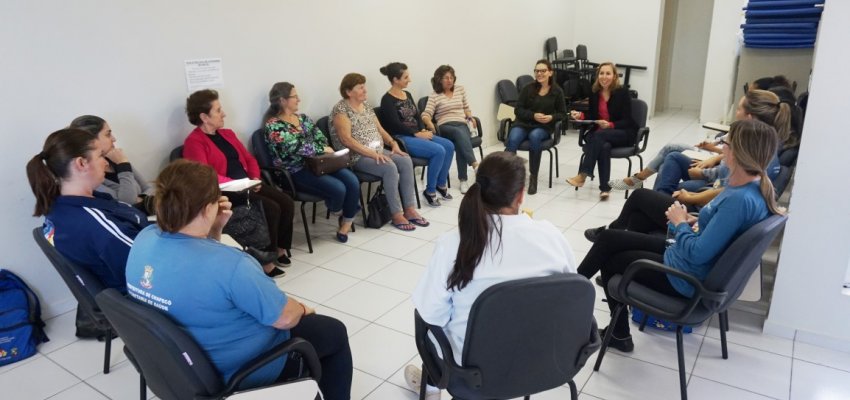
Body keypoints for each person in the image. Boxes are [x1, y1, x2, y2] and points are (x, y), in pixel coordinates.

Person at [125, 160, 352, 399]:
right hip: (240, 370)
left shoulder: (145, 238)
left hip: (182, 365)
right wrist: (304, 309)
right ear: (207, 208)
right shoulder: (232, 265)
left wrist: (214, 231)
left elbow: (196, 266)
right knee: (333, 331)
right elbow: (285, 318)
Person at [577, 119, 783, 352]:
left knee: (611, 258)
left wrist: (680, 223)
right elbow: (721, 233)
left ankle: (593, 312)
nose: (722, 147)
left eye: (726, 143)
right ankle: (577, 294)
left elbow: (697, 254)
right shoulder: (753, 190)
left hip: (684, 277)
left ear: (737, 153)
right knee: (612, 238)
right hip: (685, 262)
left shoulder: (738, 200)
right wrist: (696, 221)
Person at [404, 152, 576, 399]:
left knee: (430, 325)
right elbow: (568, 296)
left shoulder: (453, 245)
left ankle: (431, 386)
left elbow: (432, 313)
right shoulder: (552, 237)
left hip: (473, 373)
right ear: (520, 195)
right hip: (543, 362)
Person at [27, 128, 150, 338]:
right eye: (101, 155)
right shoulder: (95, 225)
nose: (105, 162)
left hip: (118, 287)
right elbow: (149, 266)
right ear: (81, 163)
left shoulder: (59, 209)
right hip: (140, 296)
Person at [184, 89, 294, 277]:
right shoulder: (194, 143)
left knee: (286, 202)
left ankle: (280, 249)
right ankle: (265, 262)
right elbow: (205, 175)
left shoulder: (227, 134)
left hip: (248, 184)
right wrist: (238, 183)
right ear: (204, 117)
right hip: (226, 191)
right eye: (218, 110)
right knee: (271, 208)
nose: (224, 114)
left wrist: (255, 178)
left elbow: (249, 158)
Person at [609, 88, 792, 193]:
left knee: (670, 160)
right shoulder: (760, 141)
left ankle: (646, 193)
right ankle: (650, 198)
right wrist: (715, 157)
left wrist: (705, 171)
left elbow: (726, 184)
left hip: (713, 186)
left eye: (738, 109)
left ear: (750, 117)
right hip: (715, 175)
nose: (735, 113)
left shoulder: (758, 150)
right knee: (671, 157)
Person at [328, 73, 428, 231]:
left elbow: (380, 129)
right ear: (348, 92)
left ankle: (409, 209)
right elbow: (346, 140)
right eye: (360, 87)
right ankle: (396, 214)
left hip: (377, 151)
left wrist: (393, 143)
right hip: (356, 156)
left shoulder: (366, 106)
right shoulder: (341, 110)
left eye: (364, 86)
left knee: (405, 160)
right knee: (389, 167)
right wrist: (372, 154)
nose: (365, 90)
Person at [263, 82, 360, 243]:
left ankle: (347, 222)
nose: (299, 99)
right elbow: (295, 146)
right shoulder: (273, 126)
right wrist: (320, 148)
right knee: (339, 189)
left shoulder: (303, 119)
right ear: (282, 100)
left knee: (352, 181)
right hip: (295, 170)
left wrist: (320, 147)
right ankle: (340, 212)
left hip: (320, 162)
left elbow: (320, 137)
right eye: (295, 96)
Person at [378, 62, 455, 207]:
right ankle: (430, 191)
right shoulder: (387, 100)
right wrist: (416, 133)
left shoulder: (407, 94)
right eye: (406, 77)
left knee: (449, 146)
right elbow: (395, 125)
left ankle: (440, 184)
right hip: (402, 138)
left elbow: (417, 116)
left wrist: (422, 129)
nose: (409, 80)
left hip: (416, 133)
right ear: (395, 79)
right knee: (439, 151)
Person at [566, 62, 637, 199]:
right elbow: (592, 117)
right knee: (603, 146)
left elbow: (627, 120)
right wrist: (580, 116)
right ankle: (605, 188)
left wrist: (610, 125)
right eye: (601, 73)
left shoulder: (622, 93)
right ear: (598, 76)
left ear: (614, 76)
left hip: (622, 132)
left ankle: (583, 175)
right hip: (602, 135)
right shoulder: (594, 94)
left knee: (599, 137)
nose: (604, 77)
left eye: (608, 73)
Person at [505, 59, 567, 195]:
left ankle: (533, 177)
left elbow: (562, 114)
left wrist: (551, 117)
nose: (539, 73)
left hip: (543, 127)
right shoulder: (528, 88)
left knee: (535, 137)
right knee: (513, 138)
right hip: (524, 123)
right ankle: (510, 178)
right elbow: (518, 110)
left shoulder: (557, 91)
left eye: (543, 71)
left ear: (550, 72)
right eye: (537, 71)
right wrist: (533, 115)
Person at [69, 115, 155, 211]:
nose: (114, 139)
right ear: (91, 141)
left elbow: (149, 188)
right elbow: (126, 203)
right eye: (108, 134)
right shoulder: (90, 173)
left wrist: (142, 200)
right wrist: (123, 165)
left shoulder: (114, 158)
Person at [421, 65, 479, 194]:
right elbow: (425, 114)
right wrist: (429, 123)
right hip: (445, 126)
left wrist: (470, 117)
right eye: (446, 78)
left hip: (461, 124)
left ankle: (463, 180)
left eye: (451, 78)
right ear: (439, 80)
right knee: (459, 133)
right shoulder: (435, 95)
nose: (449, 80)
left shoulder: (460, 90)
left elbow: (466, 107)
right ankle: (475, 165)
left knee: (460, 140)